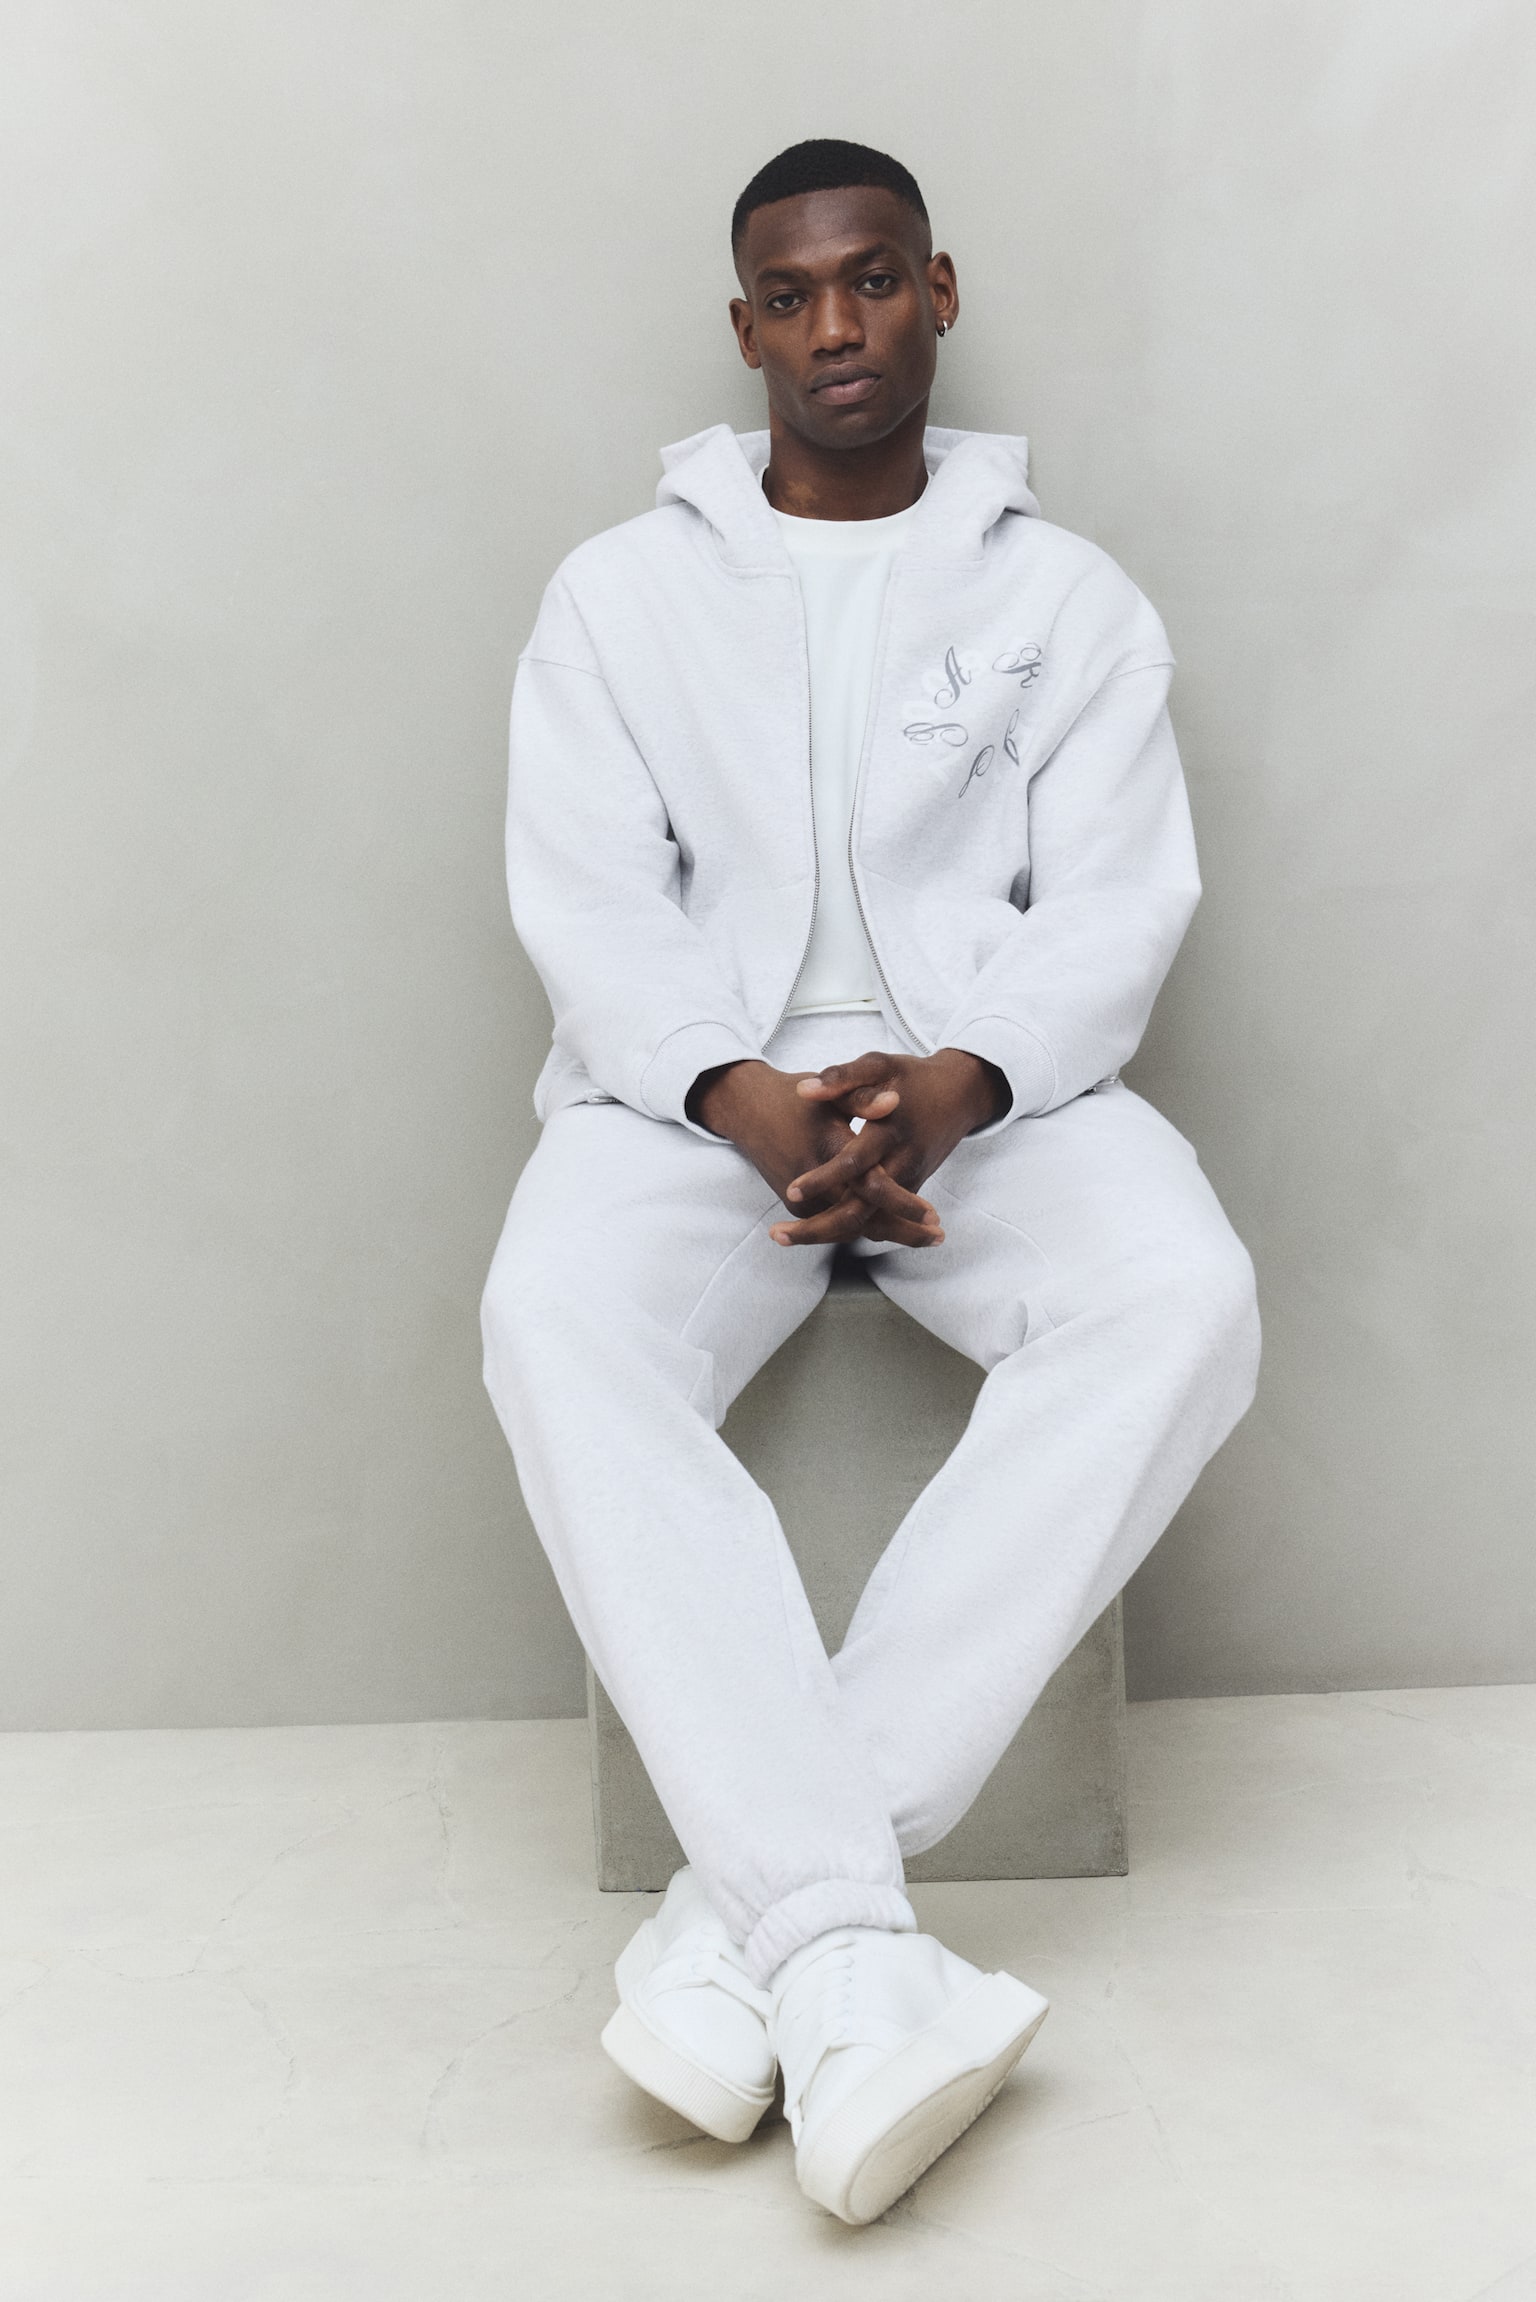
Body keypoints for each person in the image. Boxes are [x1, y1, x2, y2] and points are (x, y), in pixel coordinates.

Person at [481, 137, 1260, 2225]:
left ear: (940, 290)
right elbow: (586, 899)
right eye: (792, 293)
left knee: (1183, 1296)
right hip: (688, 1100)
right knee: (551, 1318)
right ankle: (846, 1953)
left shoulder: (1066, 600)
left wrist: (961, 1081)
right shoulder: (618, 596)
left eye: (876, 279)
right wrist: (734, 1090)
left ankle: (754, 1930)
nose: (838, 325)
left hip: (989, 1091)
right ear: (745, 325)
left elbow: (1119, 903)